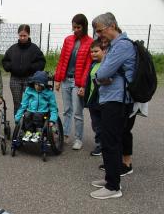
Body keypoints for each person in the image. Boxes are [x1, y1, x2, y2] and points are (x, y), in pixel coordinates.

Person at [90, 12, 136, 200]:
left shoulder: (122, 46)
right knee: (109, 140)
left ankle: (113, 187)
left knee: (111, 142)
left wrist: (101, 76)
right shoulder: (114, 46)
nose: (98, 35)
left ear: (112, 26)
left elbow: (103, 72)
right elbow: (100, 74)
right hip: (111, 98)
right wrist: (101, 76)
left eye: (100, 31)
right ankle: (111, 177)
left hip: (117, 100)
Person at [54, 14, 93, 151]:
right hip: (65, 80)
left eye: (78, 27)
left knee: (77, 112)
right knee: (66, 110)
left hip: (77, 82)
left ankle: (78, 139)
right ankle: (65, 135)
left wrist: (82, 85)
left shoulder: (90, 42)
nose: (75, 30)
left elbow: (88, 66)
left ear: (84, 27)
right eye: (73, 27)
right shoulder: (68, 40)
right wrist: (57, 80)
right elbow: (62, 61)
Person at [2, 24, 46, 116]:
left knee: (30, 103)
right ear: (18, 35)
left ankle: (28, 126)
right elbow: (5, 61)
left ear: (28, 35)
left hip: (29, 79)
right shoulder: (13, 48)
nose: (22, 38)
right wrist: (10, 67)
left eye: (24, 35)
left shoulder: (34, 49)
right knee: (17, 103)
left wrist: (31, 67)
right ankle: (18, 126)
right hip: (15, 79)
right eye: (20, 35)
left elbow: (42, 62)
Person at [14, 71, 58, 142]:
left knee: (37, 115)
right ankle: (29, 132)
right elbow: (23, 104)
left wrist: (52, 120)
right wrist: (17, 117)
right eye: (36, 84)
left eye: (40, 85)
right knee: (26, 115)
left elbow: (53, 108)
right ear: (33, 83)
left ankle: (38, 132)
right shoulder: (29, 90)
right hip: (30, 110)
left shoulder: (49, 93)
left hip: (43, 111)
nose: (38, 87)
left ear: (44, 85)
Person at [84, 40, 105, 156]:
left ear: (104, 51)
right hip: (92, 98)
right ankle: (99, 143)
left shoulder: (107, 64)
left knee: (103, 124)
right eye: (91, 52)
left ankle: (103, 145)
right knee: (95, 123)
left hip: (103, 99)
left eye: (96, 51)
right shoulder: (93, 64)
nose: (93, 54)